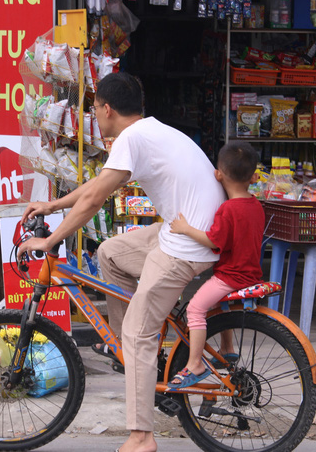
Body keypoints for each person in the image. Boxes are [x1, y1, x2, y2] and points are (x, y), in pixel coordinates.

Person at [18, 72, 226, 452]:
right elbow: (98, 185)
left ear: (107, 108)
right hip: (187, 233)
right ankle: (132, 357)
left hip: (188, 247)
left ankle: (141, 436)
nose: (95, 116)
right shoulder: (148, 131)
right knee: (110, 253)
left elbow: (95, 201)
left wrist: (50, 239)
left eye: (95, 109)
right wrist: (52, 205)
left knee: (137, 332)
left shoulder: (131, 139)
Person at [166, 142, 264, 388]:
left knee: (196, 310)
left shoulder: (227, 209)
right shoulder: (256, 206)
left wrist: (186, 229)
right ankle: (228, 348)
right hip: (251, 273)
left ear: (218, 174)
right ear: (253, 177)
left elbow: (213, 241)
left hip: (231, 276)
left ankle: (195, 364)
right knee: (222, 305)